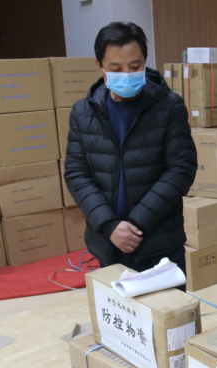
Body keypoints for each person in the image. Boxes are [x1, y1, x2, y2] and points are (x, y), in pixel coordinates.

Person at [64, 22, 197, 286]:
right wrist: (109, 225)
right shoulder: (83, 112)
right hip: (107, 244)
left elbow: (180, 170)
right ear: (100, 66)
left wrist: (135, 226)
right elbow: (76, 174)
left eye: (135, 67)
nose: (126, 74)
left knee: (167, 312)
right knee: (116, 311)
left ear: (145, 62)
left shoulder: (169, 107)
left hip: (158, 242)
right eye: (116, 69)